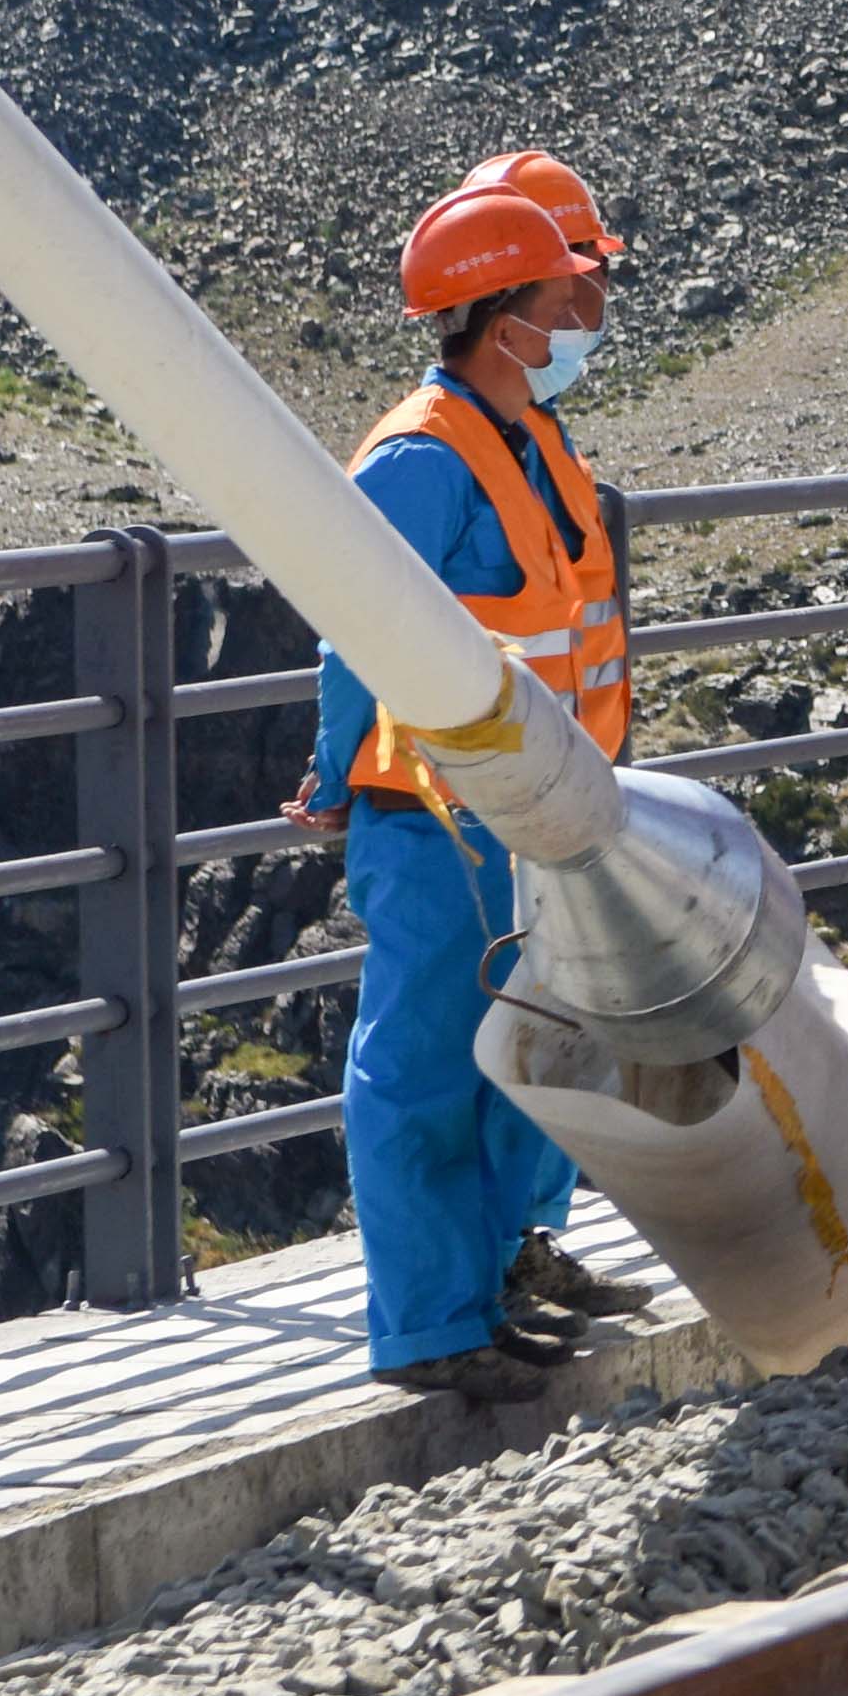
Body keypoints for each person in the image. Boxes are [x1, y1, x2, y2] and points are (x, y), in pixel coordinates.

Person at [294, 180, 657, 1400]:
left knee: (540, 1045)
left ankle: (504, 1270)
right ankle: (430, 1328)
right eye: (564, 294)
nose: (582, 311)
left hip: (540, 810)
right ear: (503, 316)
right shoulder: (422, 455)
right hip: (441, 819)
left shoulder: (522, 436)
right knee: (427, 1068)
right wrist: (339, 768)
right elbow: (357, 625)